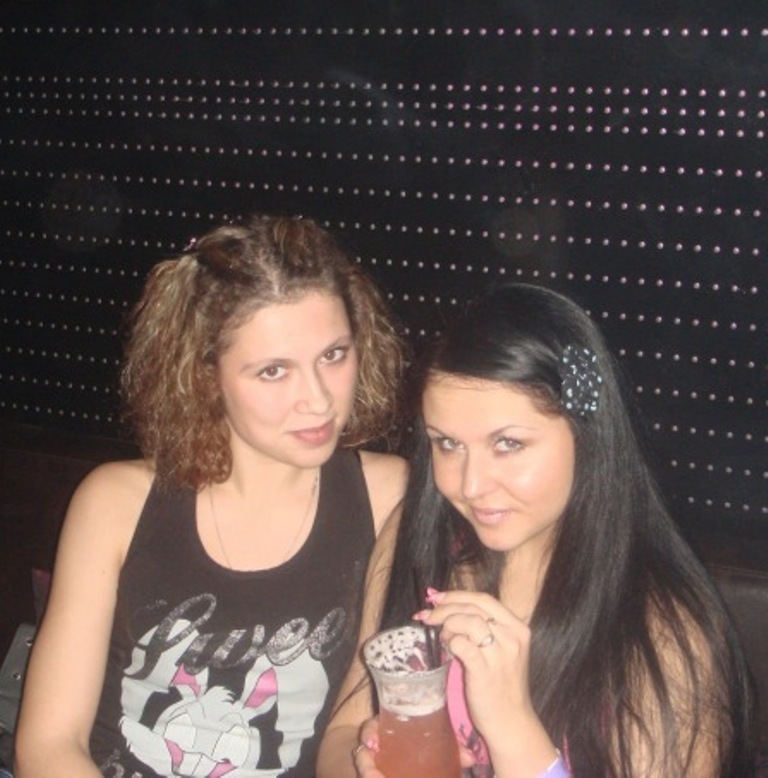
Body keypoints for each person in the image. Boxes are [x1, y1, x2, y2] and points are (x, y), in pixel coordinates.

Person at [14, 213, 408, 777]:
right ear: (205, 376)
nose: (319, 399)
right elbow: (50, 745)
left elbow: (353, 727)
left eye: (333, 355)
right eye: (273, 371)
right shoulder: (115, 502)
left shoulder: (389, 496)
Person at [317, 282, 755, 777]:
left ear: (586, 437)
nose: (470, 485)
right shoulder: (416, 539)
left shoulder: (664, 637)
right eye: (448, 444)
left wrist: (512, 725)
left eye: (507, 444)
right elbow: (344, 732)